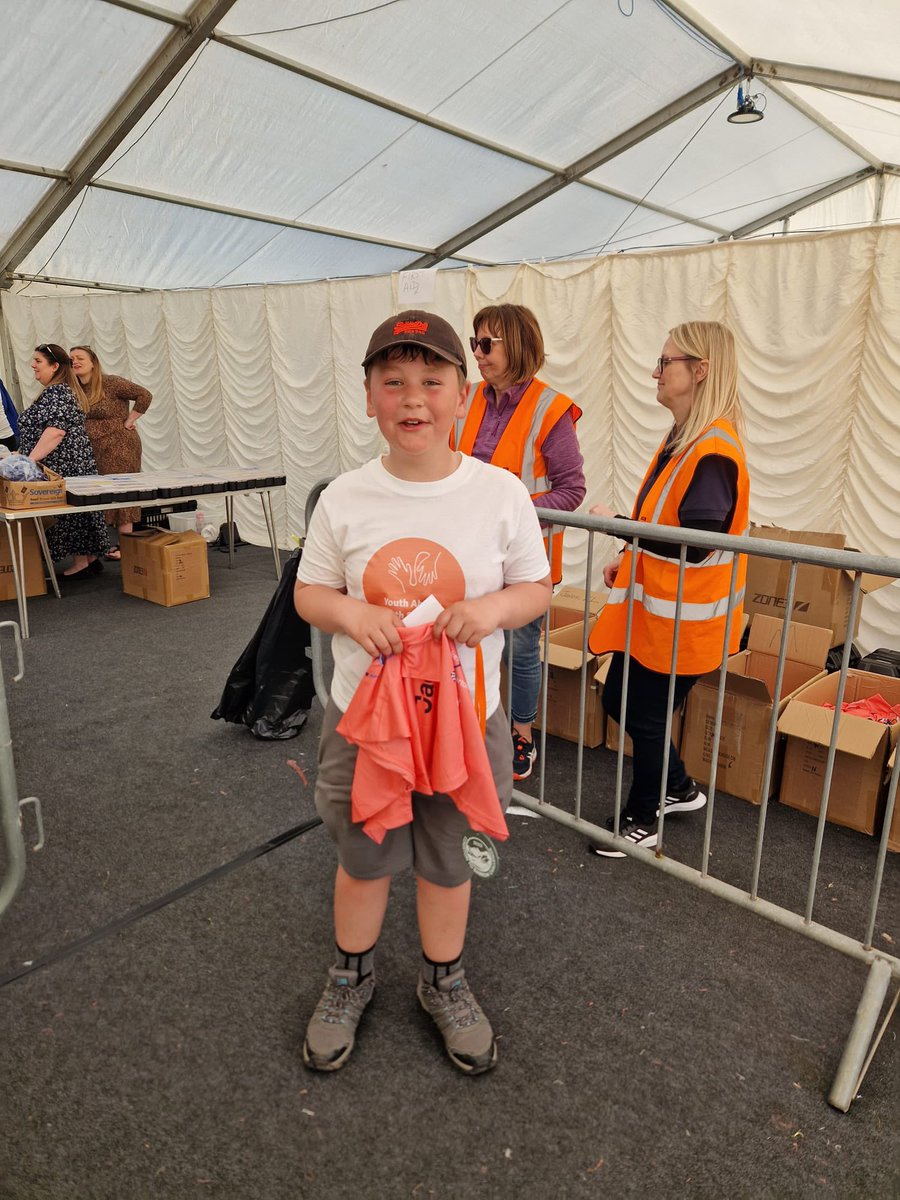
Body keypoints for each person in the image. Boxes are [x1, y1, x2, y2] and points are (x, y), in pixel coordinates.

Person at [295, 309, 551, 1074]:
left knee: (448, 859)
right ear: (369, 395)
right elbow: (311, 594)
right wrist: (353, 612)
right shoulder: (345, 496)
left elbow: (535, 586)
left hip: (467, 724)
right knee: (364, 856)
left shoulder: (499, 493)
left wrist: (492, 611)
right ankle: (351, 975)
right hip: (367, 725)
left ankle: (444, 982)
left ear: (462, 394)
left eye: (432, 381)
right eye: (394, 381)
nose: (414, 399)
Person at [587, 321, 750, 856]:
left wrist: (617, 526)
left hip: (686, 624)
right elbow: (665, 527)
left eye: (666, 362)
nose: (655, 372)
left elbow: (696, 546)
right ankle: (677, 787)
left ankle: (643, 818)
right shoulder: (686, 439)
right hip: (666, 619)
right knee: (624, 701)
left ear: (699, 371)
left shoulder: (713, 450)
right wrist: (629, 556)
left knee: (642, 712)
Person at [452, 304, 585, 781]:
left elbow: (572, 491)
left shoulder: (551, 409)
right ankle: (468, 724)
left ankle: (521, 736)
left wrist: (506, 509)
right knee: (466, 643)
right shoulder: (465, 398)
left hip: (525, 561)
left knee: (523, 650)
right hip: (467, 553)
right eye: (475, 344)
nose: (478, 354)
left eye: (488, 344)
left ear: (519, 345)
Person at [19, 345, 110, 577]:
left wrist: (28, 461)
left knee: (71, 513)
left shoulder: (57, 392)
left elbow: (56, 432)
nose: (33, 365)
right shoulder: (63, 390)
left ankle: (83, 562)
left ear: (55, 366)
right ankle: (88, 560)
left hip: (67, 464)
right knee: (78, 512)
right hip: (72, 462)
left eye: (38, 361)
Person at [70, 346, 152, 560]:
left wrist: (130, 420)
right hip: (93, 448)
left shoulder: (112, 382)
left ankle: (126, 545)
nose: (75, 362)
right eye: (71, 359)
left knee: (123, 492)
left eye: (80, 358)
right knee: (100, 494)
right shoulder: (74, 388)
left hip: (120, 446)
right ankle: (101, 545)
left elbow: (144, 395)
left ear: (93, 362)